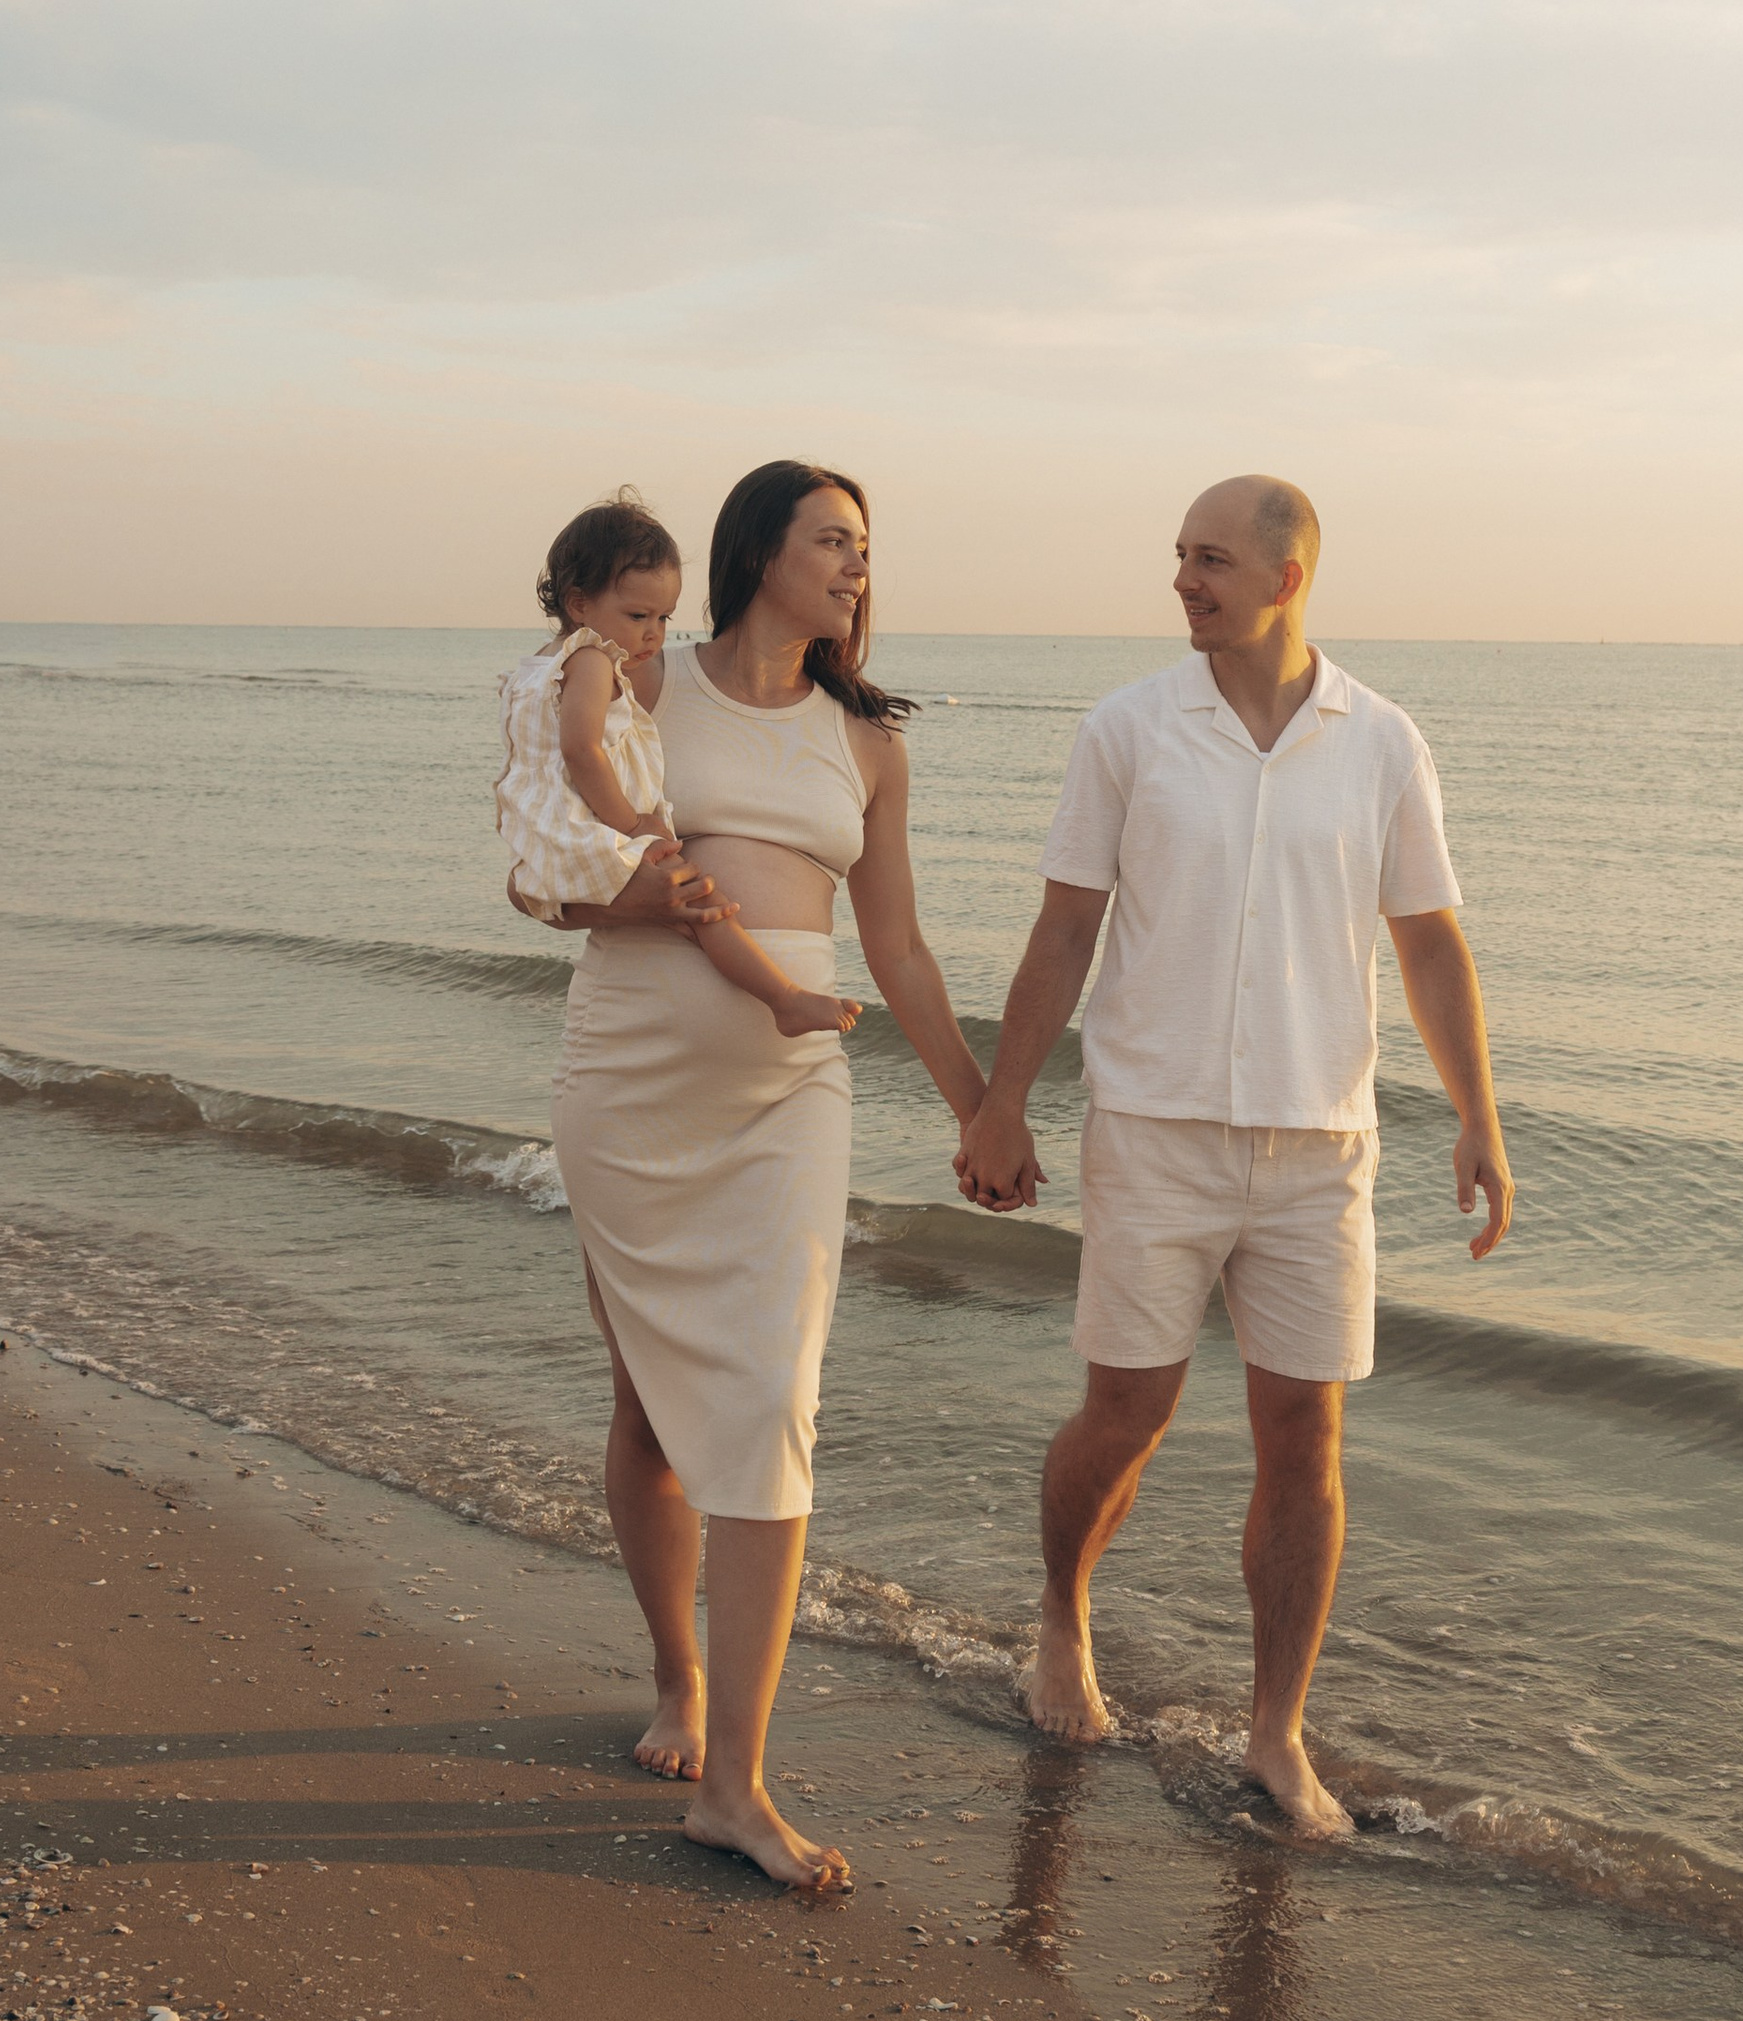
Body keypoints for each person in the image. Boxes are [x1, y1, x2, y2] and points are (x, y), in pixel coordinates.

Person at [955, 474, 1515, 1838]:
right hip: (1153, 1131)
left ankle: (1276, 1732)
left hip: (1323, 1144)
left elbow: (1429, 943)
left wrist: (1481, 1118)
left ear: (1286, 576)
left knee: (1304, 1439)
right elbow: (1064, 930)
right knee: (1128, 1412)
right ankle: (1064, 1617)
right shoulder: (1129, 731)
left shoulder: (1381, 741)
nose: (1184, 583)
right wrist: (1002, 1101)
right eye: (1179, 559)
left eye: (1209, 561)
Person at [536, 460, 987, 1897]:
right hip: (632, 1076)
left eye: (866, 547)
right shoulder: (646, 686)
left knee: (773, 1407)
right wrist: (638, 897)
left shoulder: (867, 746)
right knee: (654, 1412)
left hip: (789, 1095)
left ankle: (737, 1780)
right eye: (832, 540)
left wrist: (984, 1108)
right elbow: (541, 880)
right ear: (759, 552)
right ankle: (678, 1677)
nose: (857, 565)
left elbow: (900, 950)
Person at [497, 489, 860, 1040]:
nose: (653, 635)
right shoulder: (592, 660)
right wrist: (631, 823)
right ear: (579, 605)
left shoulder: (538, 666)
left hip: (547, 825)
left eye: (664, 617)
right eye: (638, 615)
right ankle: (782, 998)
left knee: (690, 914)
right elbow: (581, 750)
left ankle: (778, 996)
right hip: (588, 823)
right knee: (700, 897)